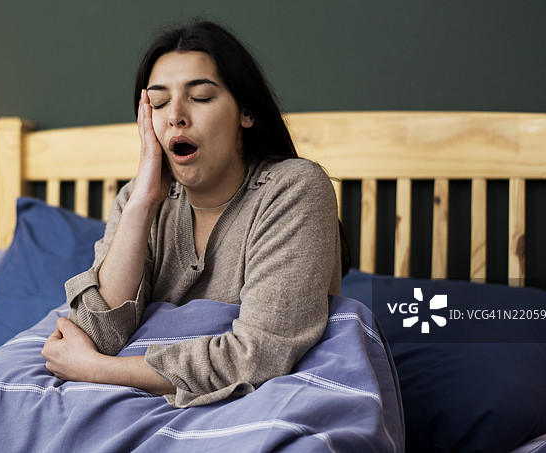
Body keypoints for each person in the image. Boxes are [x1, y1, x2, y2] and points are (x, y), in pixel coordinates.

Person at [42, 20, 347, 408]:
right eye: (158, 103)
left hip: (251, 409)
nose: (175, 116)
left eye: (200, 97)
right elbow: (94, 334)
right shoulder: (139, 199)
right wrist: (142, 203)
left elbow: (259, 356)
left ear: (247, 111)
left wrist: (98, 369)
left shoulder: (293, 188)